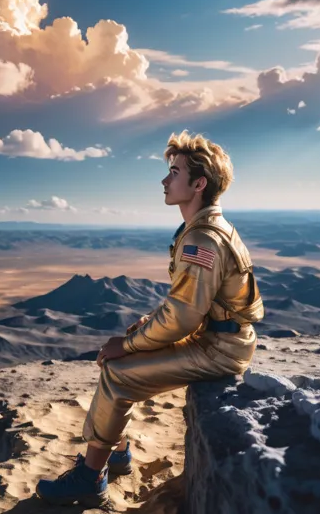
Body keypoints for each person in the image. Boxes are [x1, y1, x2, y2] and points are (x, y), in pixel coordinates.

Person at [36, 130, 264, 508]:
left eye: (174, 172)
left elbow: (182, 318)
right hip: (217, 335)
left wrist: (125, 345)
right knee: (120, 362)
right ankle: (118, 454)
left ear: (198, 184)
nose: (164, 180)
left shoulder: (202, 240)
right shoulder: (203, 229)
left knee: (118, 372)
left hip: (220, 348)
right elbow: (190, 303)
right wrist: (147, 324)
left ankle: (89, 478)